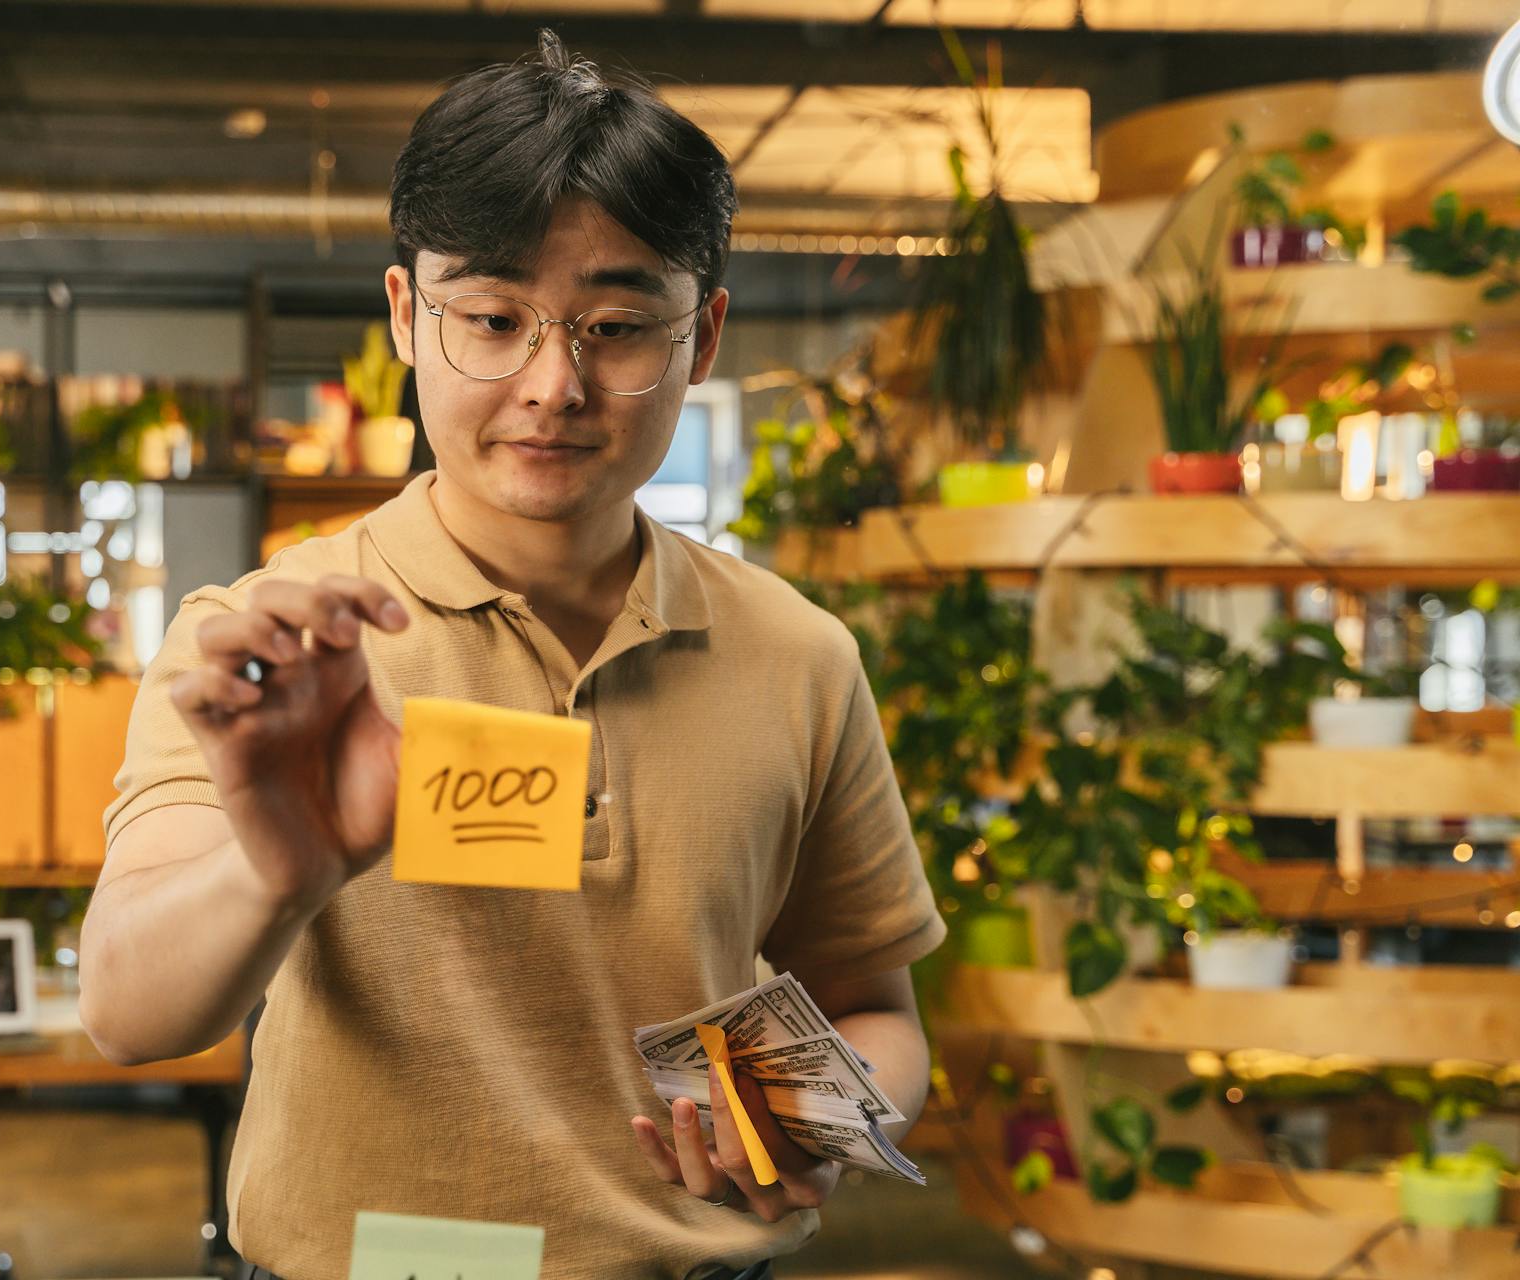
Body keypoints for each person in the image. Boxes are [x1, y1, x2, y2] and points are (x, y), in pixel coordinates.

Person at [80, 30, 944, 1280]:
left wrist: (817, 1125)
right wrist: (282, 868)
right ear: (404, 317)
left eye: (615, 326)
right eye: (491, 317)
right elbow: (124, 1010)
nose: (553, 382)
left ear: (700, 341)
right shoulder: (272, 640)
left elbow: (872, 1006)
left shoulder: (797, 656)